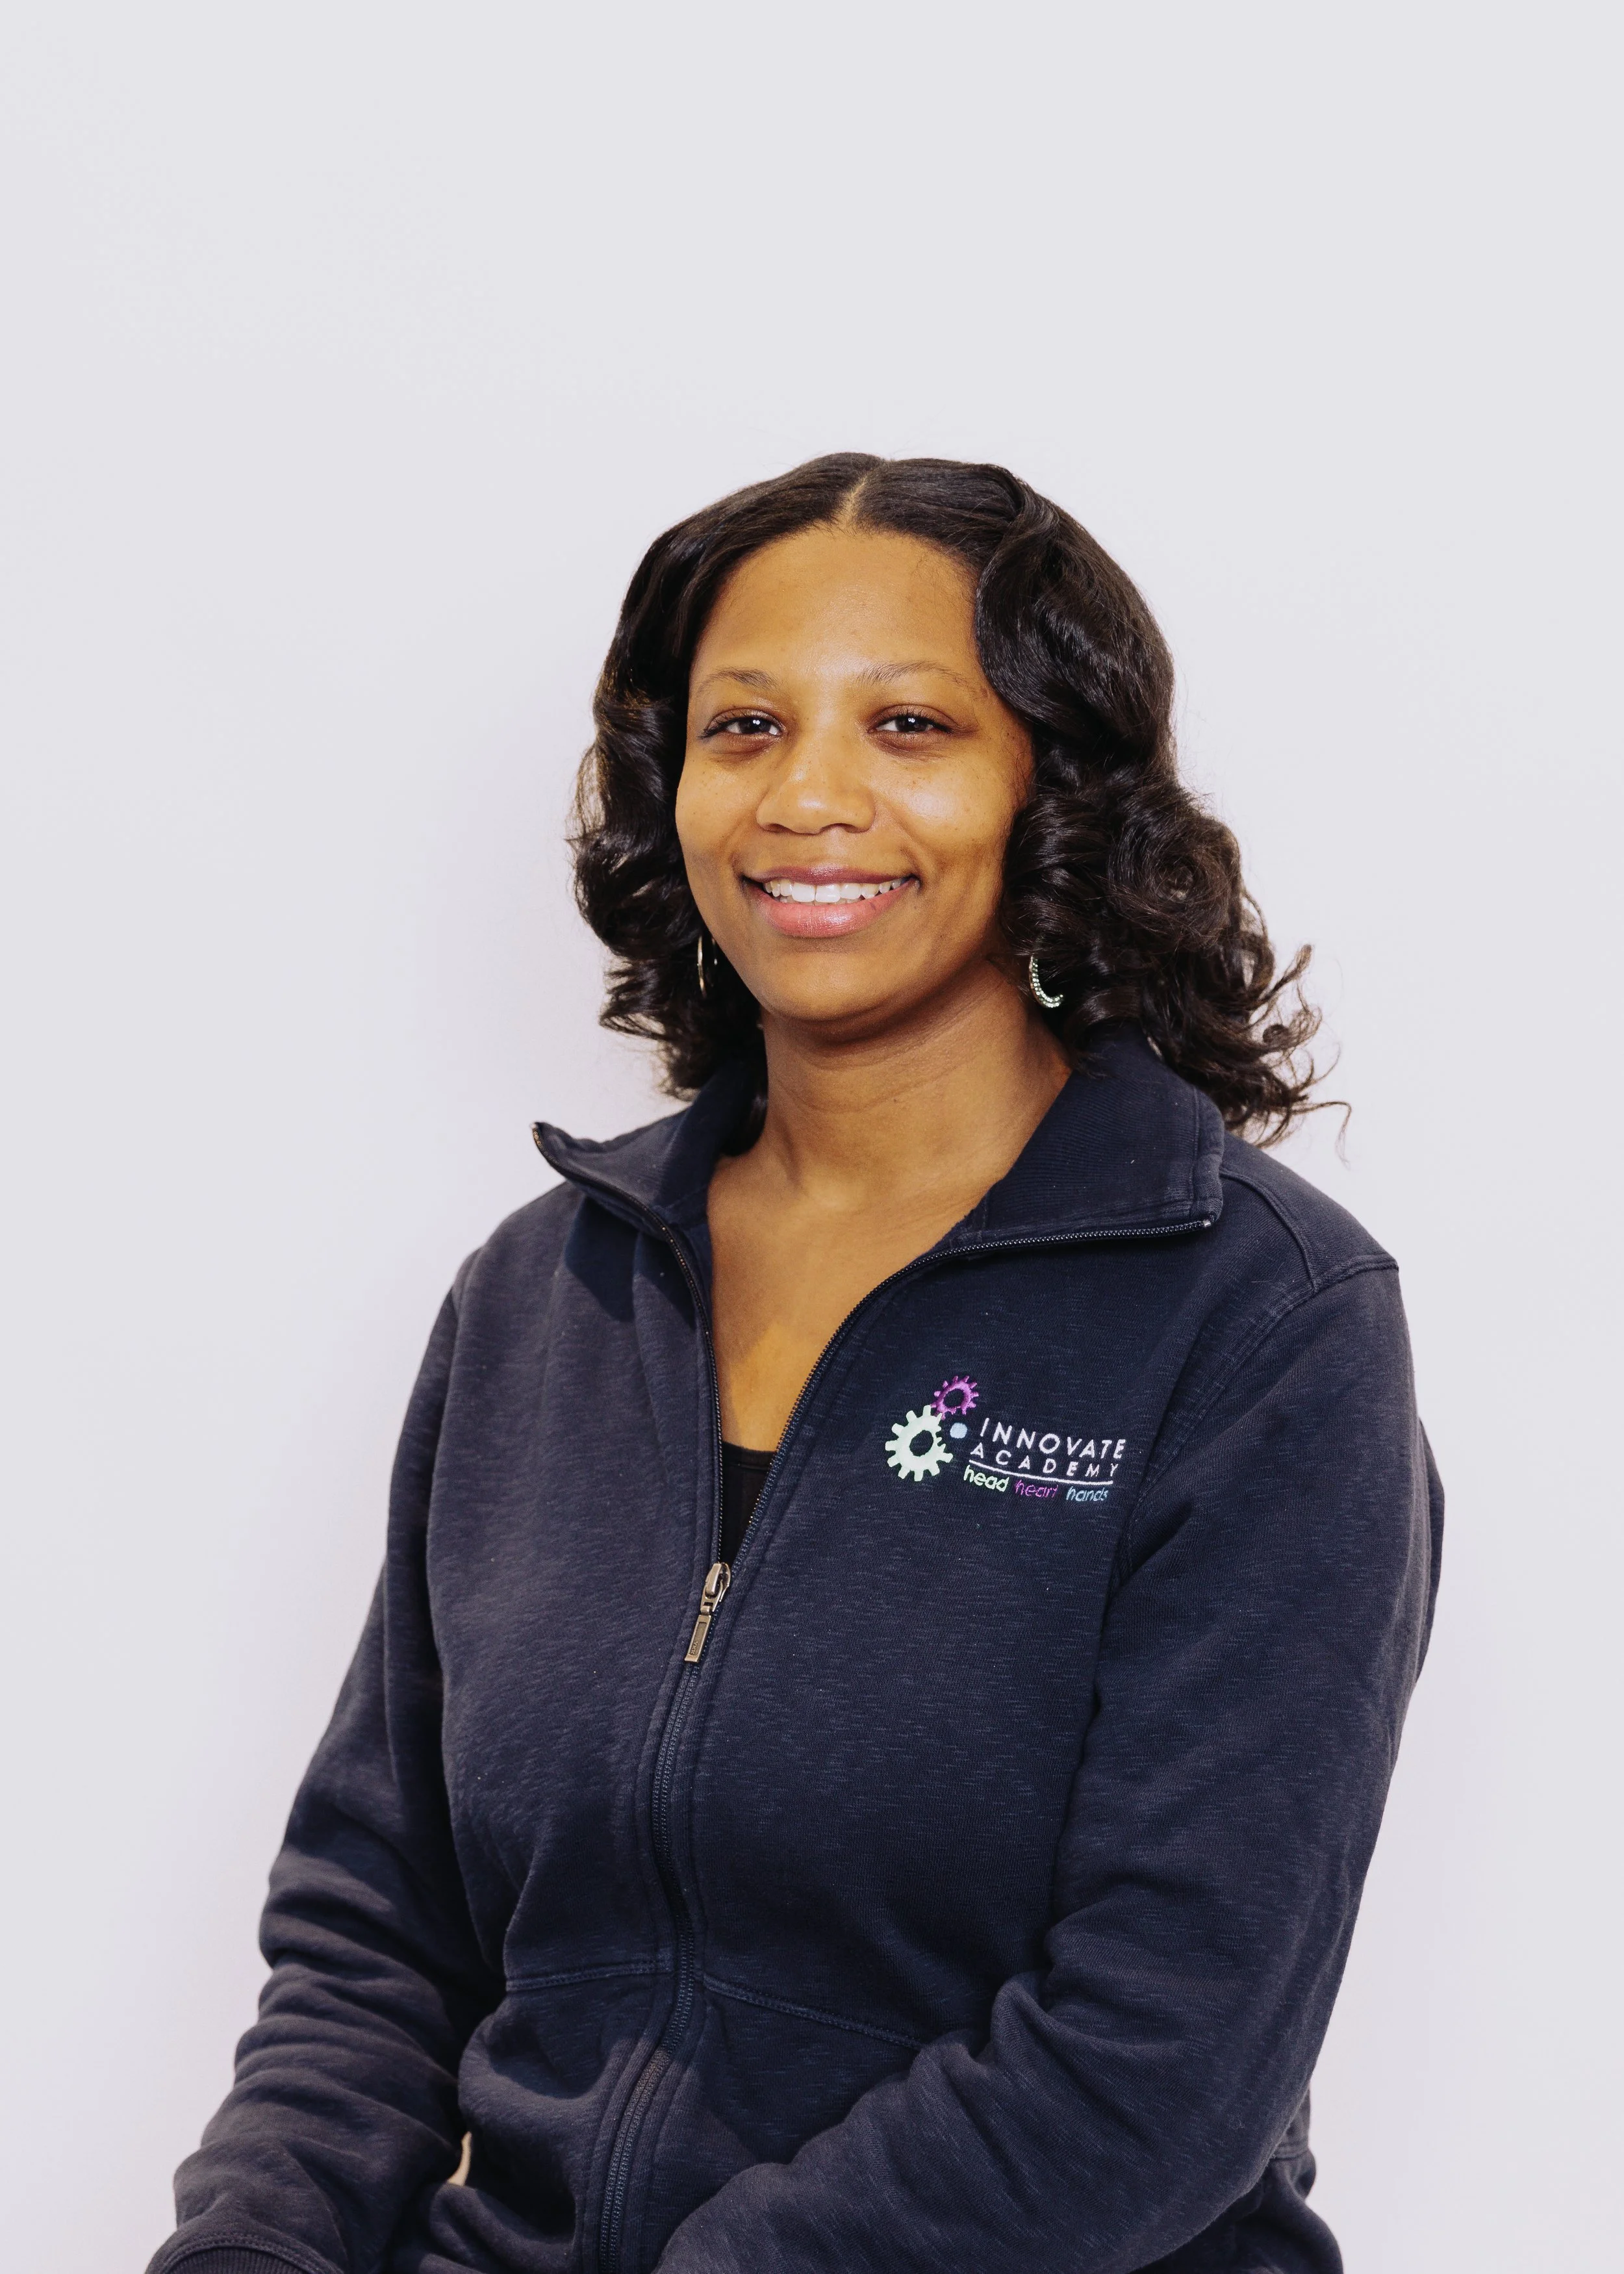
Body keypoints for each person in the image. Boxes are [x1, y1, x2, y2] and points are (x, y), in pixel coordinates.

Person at [149, 455, 1441, 2274]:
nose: (809, 795)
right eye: (742, 726)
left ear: (1048, 788)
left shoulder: (1253, 1315)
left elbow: (1164, 2053)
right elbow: (375, 1936)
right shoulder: (543, 1298)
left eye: (909, 723)